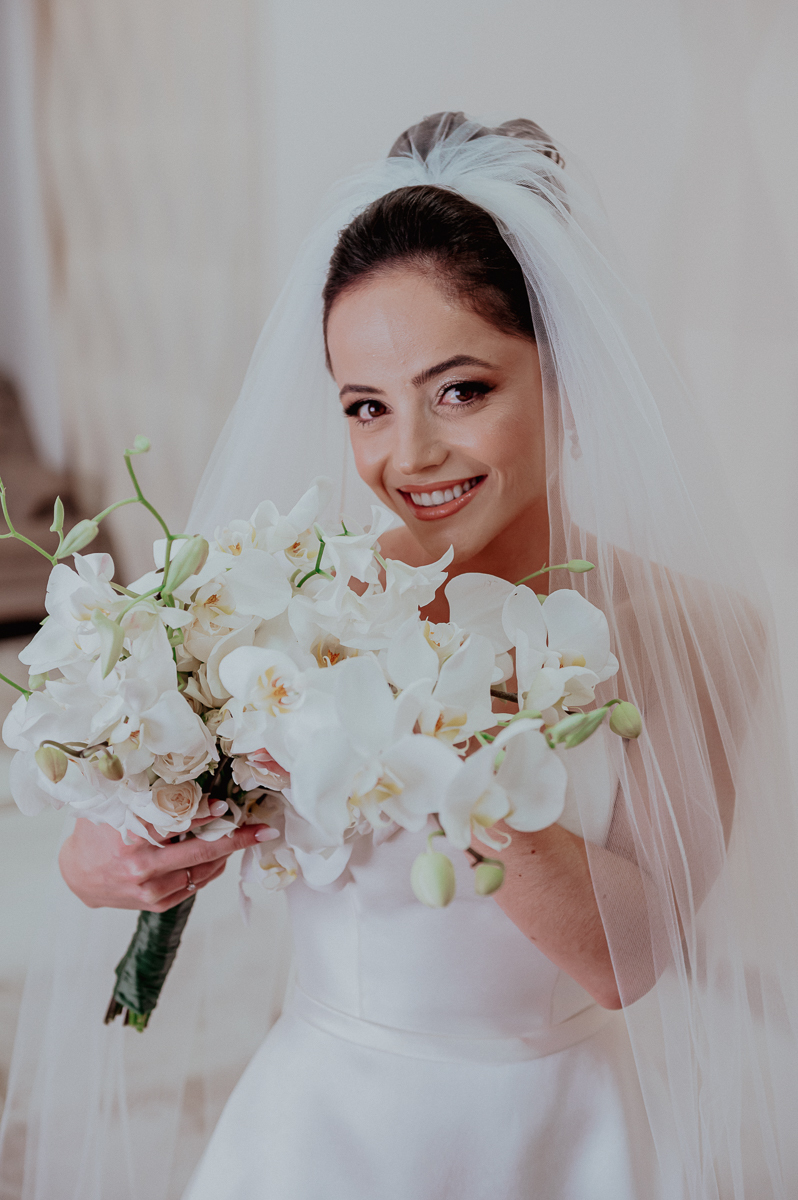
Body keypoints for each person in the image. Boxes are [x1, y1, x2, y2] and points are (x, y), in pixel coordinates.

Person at [5, 113, 798, 1199]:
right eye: (367, 407)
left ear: (566, 374)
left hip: (559, 1139)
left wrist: (443, 743)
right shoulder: (296, 603)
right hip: (326, 1133)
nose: (410, 455)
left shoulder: (692, 628)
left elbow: (629, 958)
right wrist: (103, 862)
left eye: (461, 390)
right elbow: (129, 824)